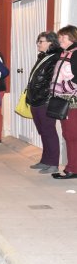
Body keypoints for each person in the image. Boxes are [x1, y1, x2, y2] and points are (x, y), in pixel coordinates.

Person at [26, 31, 61, 174]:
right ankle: (45, 160)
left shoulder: (55, 57)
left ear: (50, 43)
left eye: (41, 41)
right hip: (36, 99)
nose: (38, 44)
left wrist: (44, 96)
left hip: (45, 100)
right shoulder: (44, 56)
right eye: (38, 41)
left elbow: (51, 80)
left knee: (49, 131)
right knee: (43, 132)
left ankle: (53, 163)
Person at [51, 25, 77, 179]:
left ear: (72, 38)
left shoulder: (75, 54)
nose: (60, 39)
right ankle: (71, 167)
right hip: (64, 100)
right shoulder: (65, 53)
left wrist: (64, 88)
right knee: (68, 134)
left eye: (63, 37)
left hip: (72, 101)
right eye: (59, 37)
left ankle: (72, 169)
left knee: (71, 135)